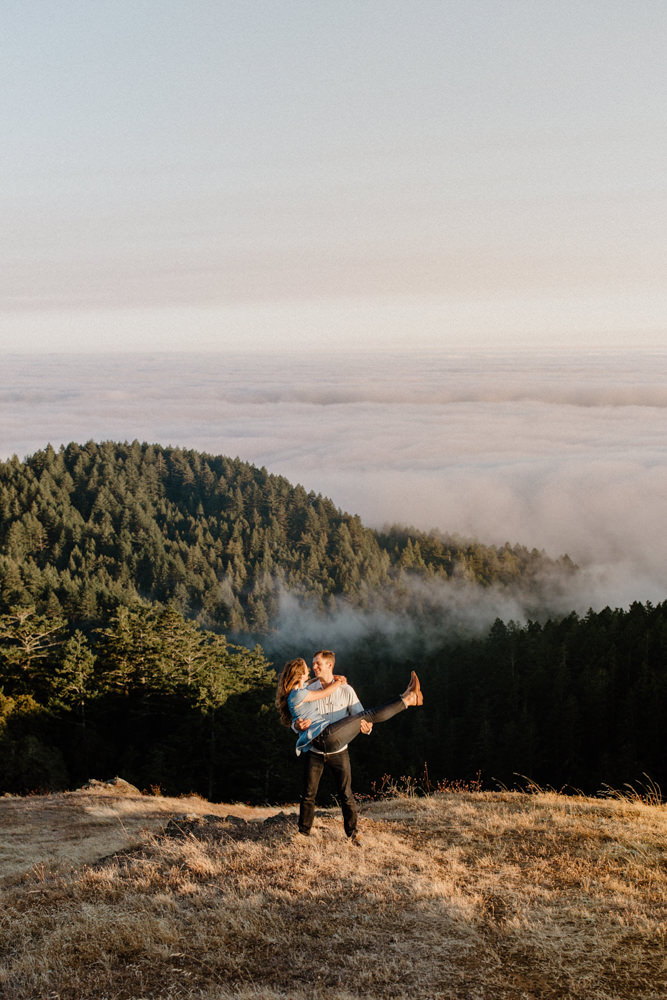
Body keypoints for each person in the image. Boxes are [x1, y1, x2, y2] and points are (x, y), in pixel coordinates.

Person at [275, 649, 423, 843]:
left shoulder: (346, 690)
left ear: (330, 665)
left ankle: (352, 834)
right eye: (312, 664)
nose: (314, 667)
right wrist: (296, 725)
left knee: (346, 794)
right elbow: (297, 716)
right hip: (315, 749)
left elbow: (361, 716)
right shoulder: (310, 689)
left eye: (318, 663)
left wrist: (367, 728)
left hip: (338, 748)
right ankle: (303, 833)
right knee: (308, 793)